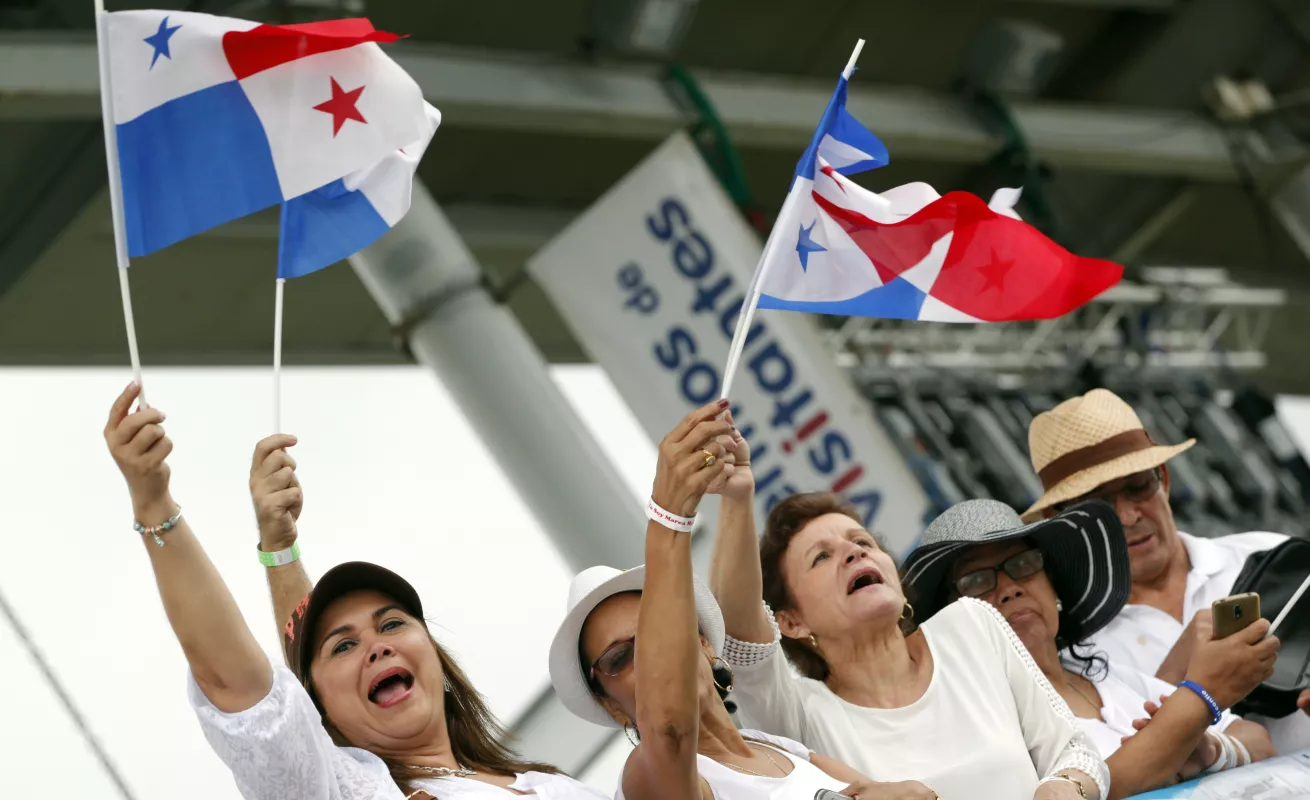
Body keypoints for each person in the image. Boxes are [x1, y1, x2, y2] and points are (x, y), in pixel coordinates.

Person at [104, 382, 607, 800]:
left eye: (392, 624)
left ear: (437, 659)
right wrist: (154, 505)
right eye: (344, 647)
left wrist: (280, 548)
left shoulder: (557, 787)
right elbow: (235, 683)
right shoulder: (345, 789)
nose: (377, 646)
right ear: (316, 711)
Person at [548, 399, 934, 800]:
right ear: (611, 707)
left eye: (661, 630)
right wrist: (669, 513)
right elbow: (669, 727)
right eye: (619, 657)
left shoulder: (783, 748)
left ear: (704, 643)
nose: (651, 654)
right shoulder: (643, 778)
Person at [708, 419, 1108, 800]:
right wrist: (736, 497)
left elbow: (1075, 751)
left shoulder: (971, 624)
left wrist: (1065, 786)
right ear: (791, 621)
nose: (854, 552)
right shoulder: (799, 715)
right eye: (822, 557)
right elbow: (740, 637)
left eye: (862, 541)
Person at [901, 498, 1277, 798]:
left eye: (1024, 563)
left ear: (1053, 584)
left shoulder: (1107, 676)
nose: (1010, 588)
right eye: (977, 581)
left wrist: (1212, 751)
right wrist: (1199, 700)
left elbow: (1257, 740)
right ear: (950, 618)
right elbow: (1092, 790)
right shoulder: (988, 723)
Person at [1021, 388, 1310, 751]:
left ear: (1165, 481)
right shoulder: (1072, 650)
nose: (1128, 516)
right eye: (1099, 506)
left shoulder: (1271, 556)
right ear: (1060, 521)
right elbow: (1121, 765)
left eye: (1138, 487)